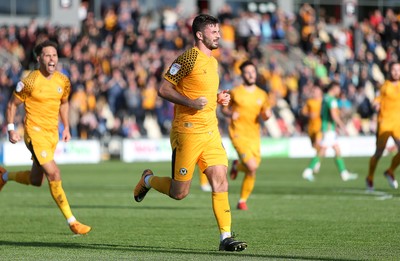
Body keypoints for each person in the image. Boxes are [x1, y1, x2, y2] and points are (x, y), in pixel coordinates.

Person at [133, 14, 247, 252]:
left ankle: (225, 237)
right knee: (179, 193)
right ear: (199, 35)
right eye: (214, 32)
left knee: (220, 179)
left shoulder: (213, 62)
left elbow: (202, 95)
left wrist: (219, 99)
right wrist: (190, 102)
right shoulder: (187, 58)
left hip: (211, 132)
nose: (219, 35)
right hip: (187, 132)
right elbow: (163, 89)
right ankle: (147, 180)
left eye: (218, 31)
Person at [0, 40, 91, 235]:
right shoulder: (29, 81)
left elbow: (64, 103)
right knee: (54, 173)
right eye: (48, 55)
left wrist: (66, 127)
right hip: (34, 133)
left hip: (52, 135)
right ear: (39, 58)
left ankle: (4, 176)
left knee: (36, 180)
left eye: (55, 55)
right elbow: (11, 105)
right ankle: (72, 221)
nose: (52, 59)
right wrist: (11, 129)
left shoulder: (63, 81)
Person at [222, 60, 271, 211]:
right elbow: (223, 109)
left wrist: (266, 115)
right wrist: (230, 113)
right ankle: (242, 200)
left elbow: (265, 114)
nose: (251, 75)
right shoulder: (236, 92)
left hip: (254, 136)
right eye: (247, 72)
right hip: (238, 134)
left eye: (253, 72)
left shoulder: (262, 94)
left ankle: (242, 200)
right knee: (252, 165)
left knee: (252, 169)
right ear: (242, 75)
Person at [302, 81, 358, 182]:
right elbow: (334, 115)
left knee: (335, 149)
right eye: (338, 88)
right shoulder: (332, 100)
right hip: (328, 129)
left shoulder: (325, 98)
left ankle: (343, 173)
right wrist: (342, 125)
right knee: (323, 150)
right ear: (334, 88)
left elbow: (323, 114)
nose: (339, 90)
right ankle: (308, 170)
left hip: (326, 128)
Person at [366, 61, 400, 191]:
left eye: (398, 70)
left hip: (398, 124)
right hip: (385, 123)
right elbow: (377, 99)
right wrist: (376, 104)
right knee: (379, 153)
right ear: (390, 71)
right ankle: (370, 177)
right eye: (394, 70)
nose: (396, 72)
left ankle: (390, 171)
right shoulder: (385, 86)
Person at [301, 84, 323, 174]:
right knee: (315, 147)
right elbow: (303, 112)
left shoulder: (323, 102)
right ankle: (317, 160)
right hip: (311, 128)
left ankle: (313, 165)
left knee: (320, 146)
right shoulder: (309, 102)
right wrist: (310, 115)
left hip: (320, 127)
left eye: (316, 91)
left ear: (320, 92)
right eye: (313, 91)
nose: (314, 93)